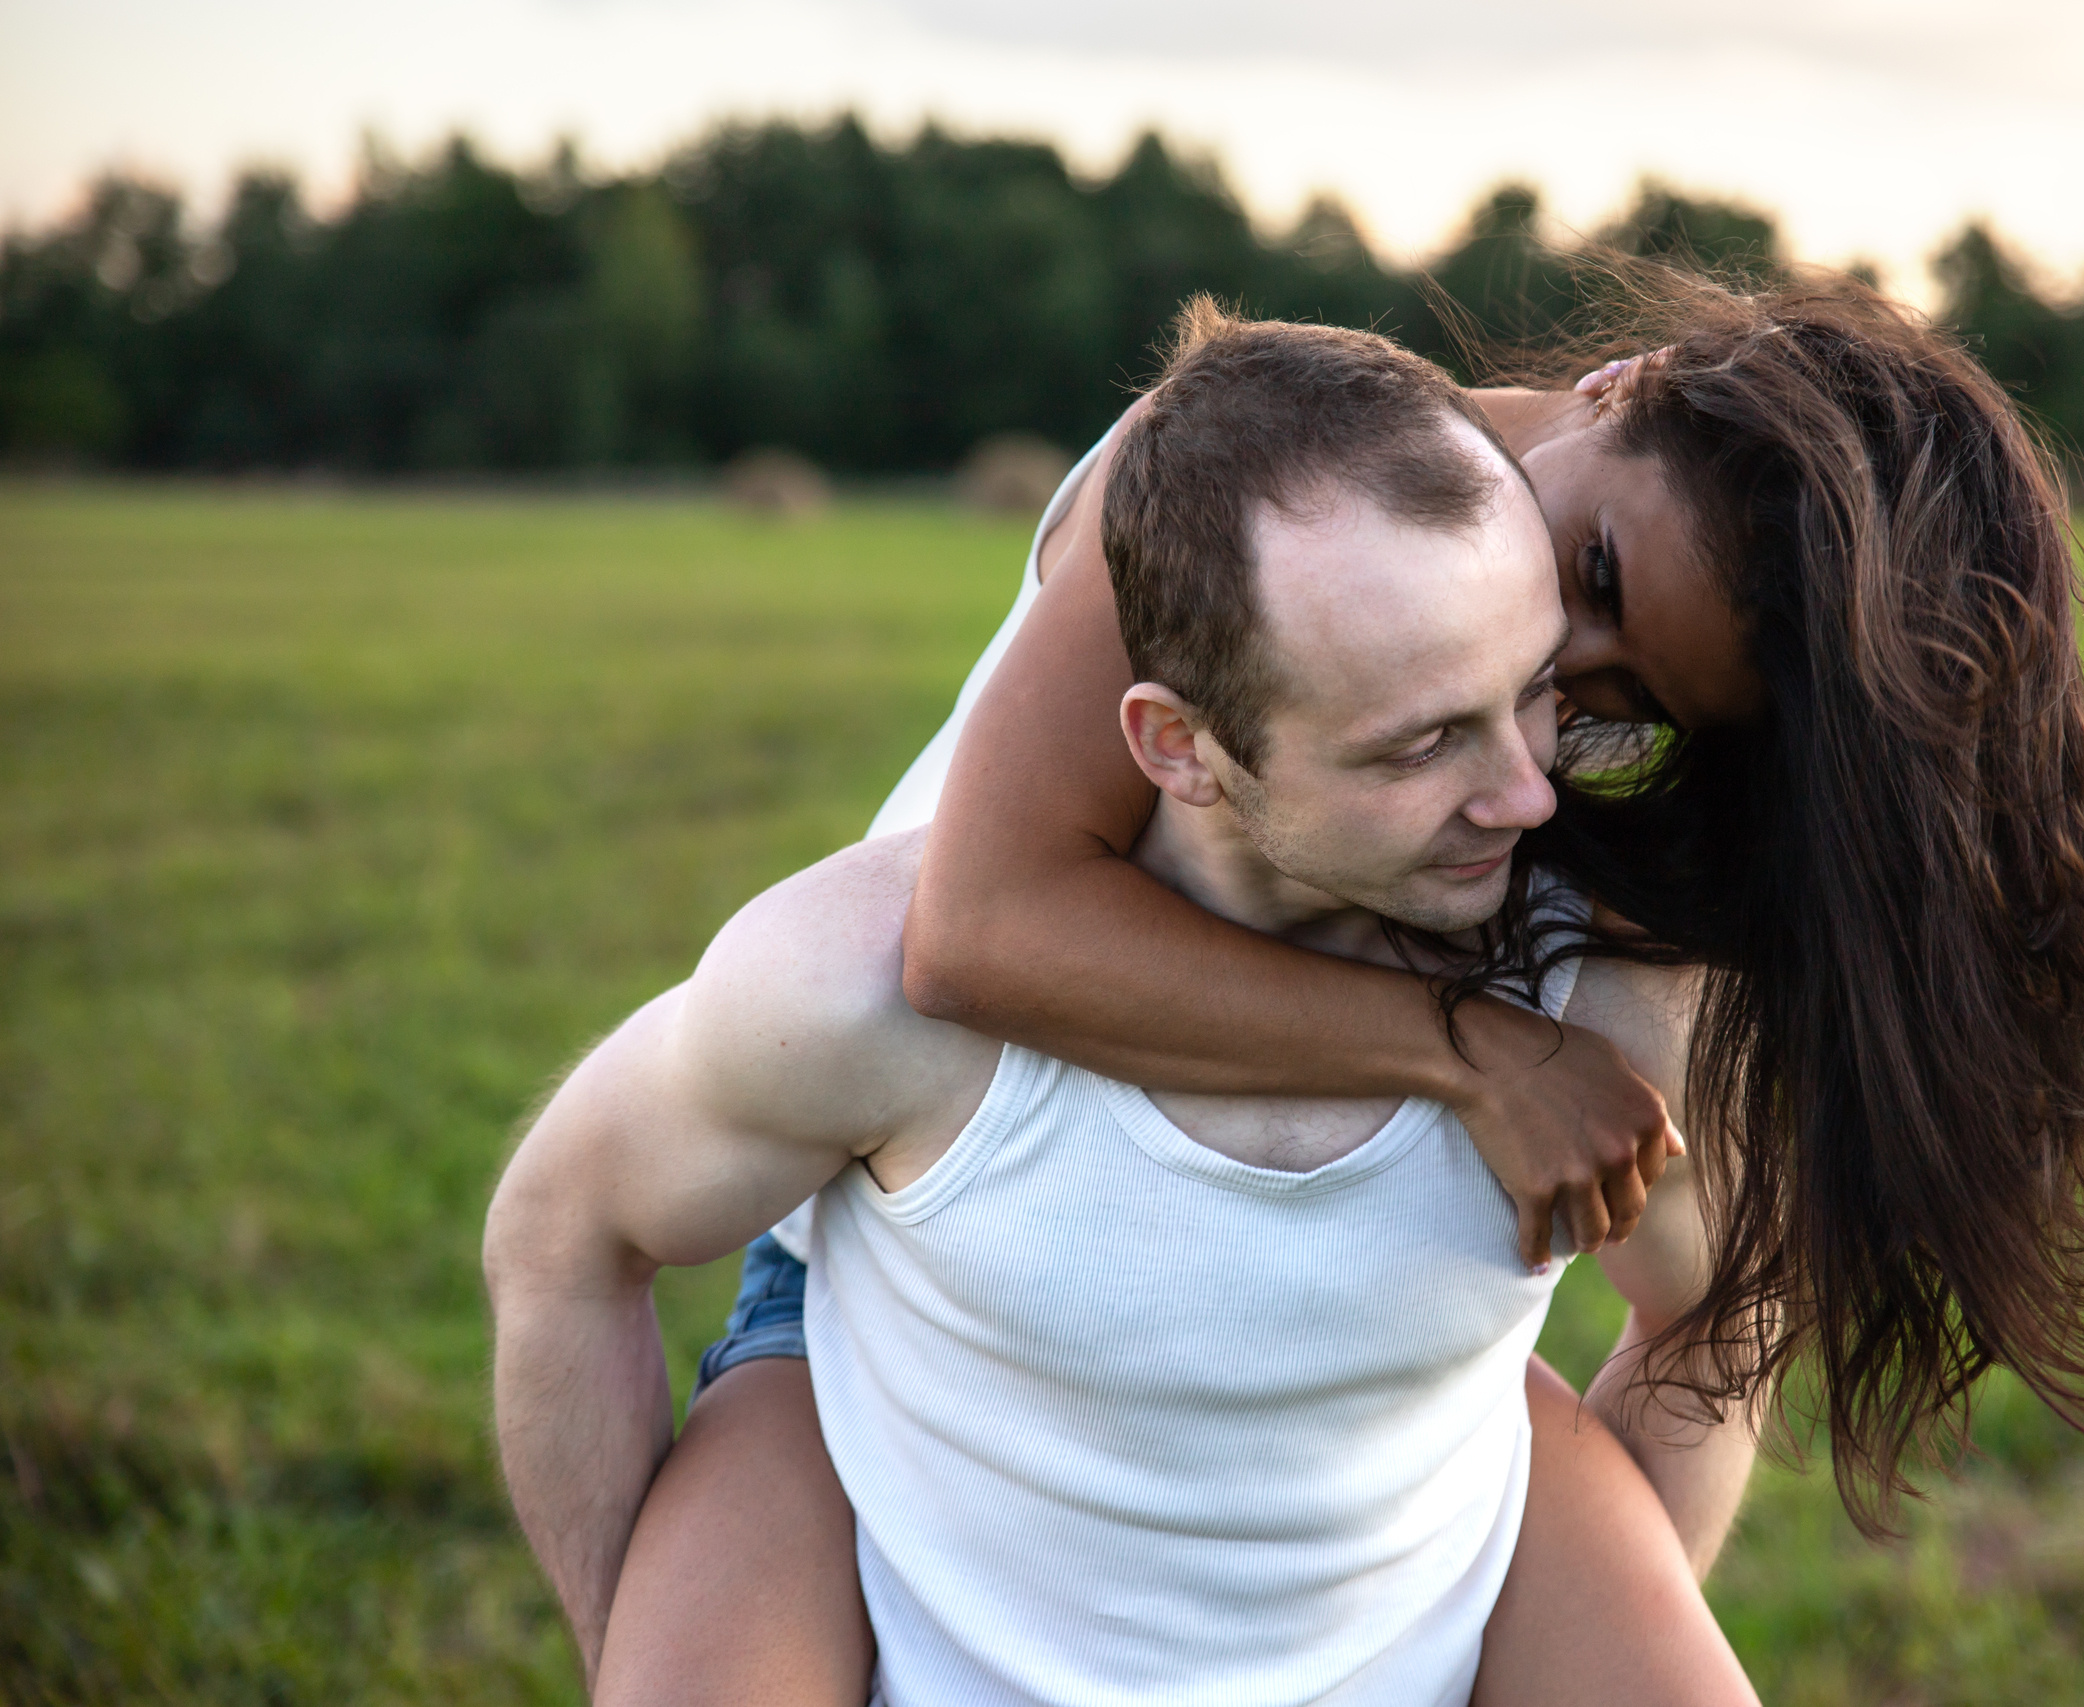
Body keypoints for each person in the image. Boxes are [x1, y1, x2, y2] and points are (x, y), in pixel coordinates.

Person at [488, 310, 1764, 1706]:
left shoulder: (1603, 1005)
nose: (1534, 788)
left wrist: (1566, 1622)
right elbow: (574, 1226)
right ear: (1179, 745)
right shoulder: (864, 988)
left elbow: (1726, 1311)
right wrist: (649, 1652)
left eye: (1552, 697)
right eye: (1418, 741)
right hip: (908, 1263)